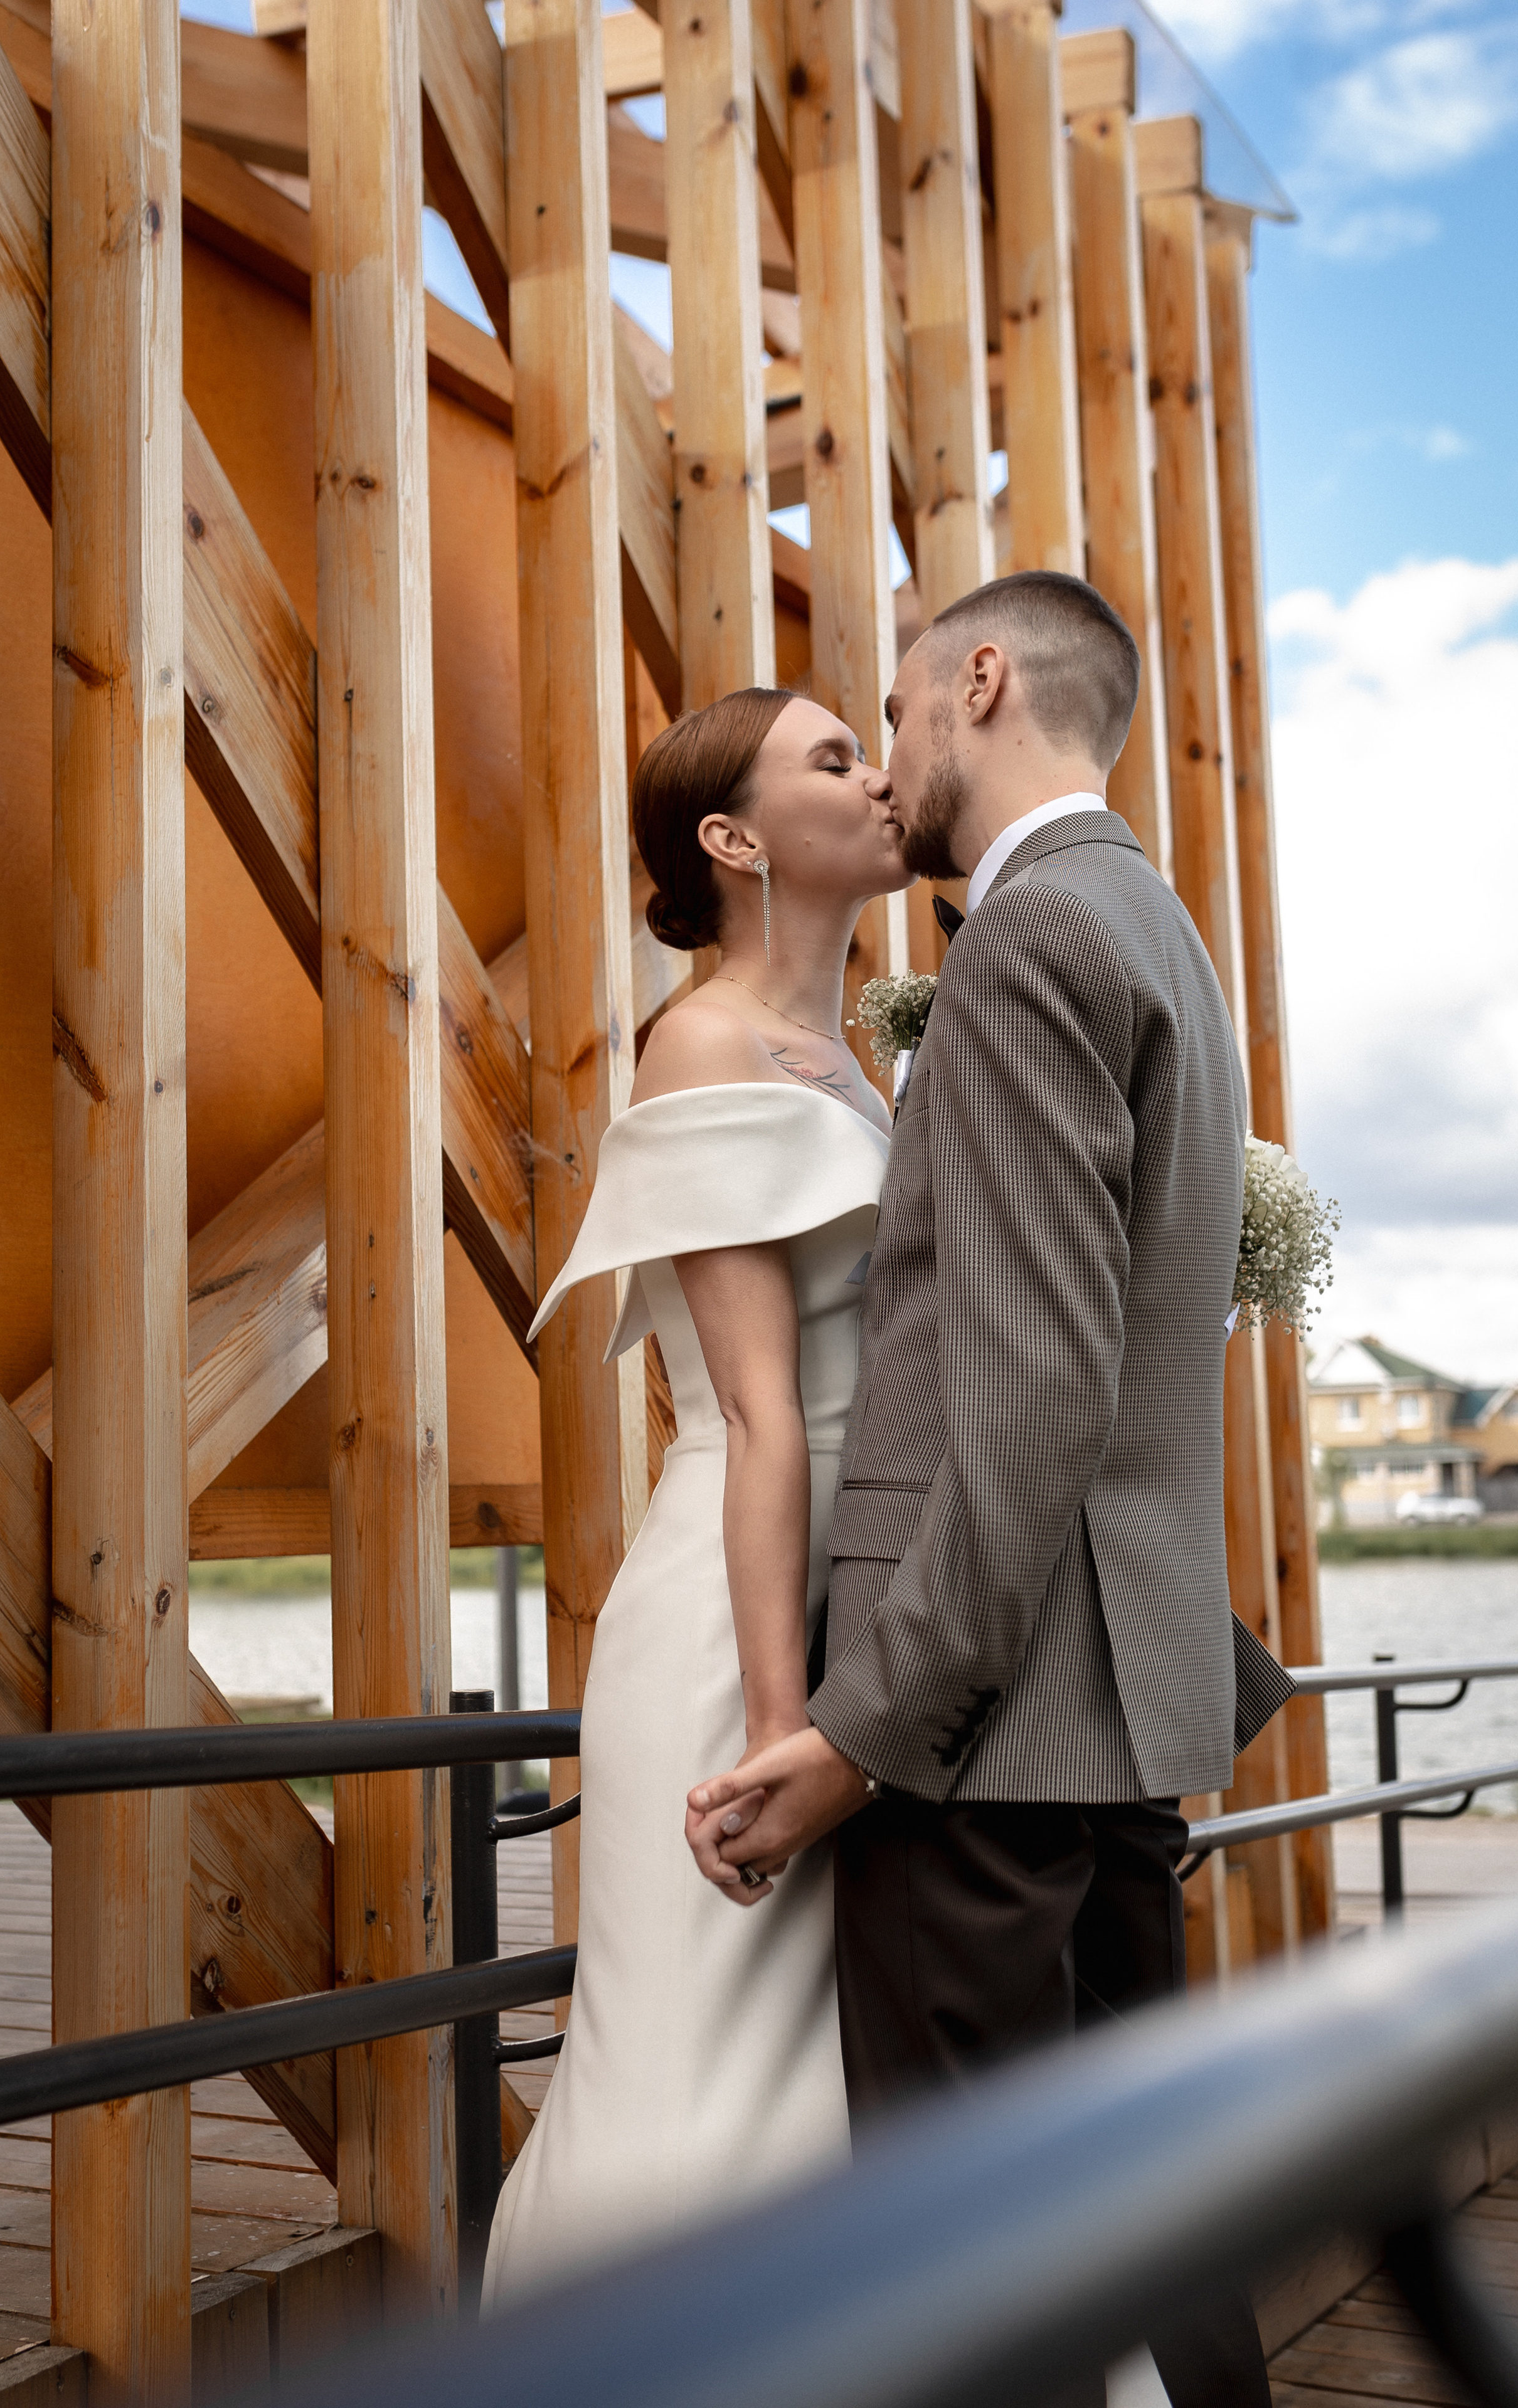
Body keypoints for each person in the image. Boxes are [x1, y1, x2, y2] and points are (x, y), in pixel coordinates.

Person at [686, 573, 1295, 2408]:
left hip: (979, 1732)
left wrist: (868, 1731)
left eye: (895, 709)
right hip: (1110, 1713)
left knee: (973, 2283)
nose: (892, 764)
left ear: (981, 678)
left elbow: (1026, 1386)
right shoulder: (1154, 924)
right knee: (1152, 2229)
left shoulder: (1032, 941)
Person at [480, 685, 912, 2309]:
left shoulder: (858, 1056)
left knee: (818, 2078)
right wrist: (785, 1731)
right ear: (733, 842)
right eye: (831, 759)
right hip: (742, 1616)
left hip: (838, 1592)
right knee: (698, 2064)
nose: (878, 779)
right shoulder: (703, 1041)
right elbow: (750, 1414)